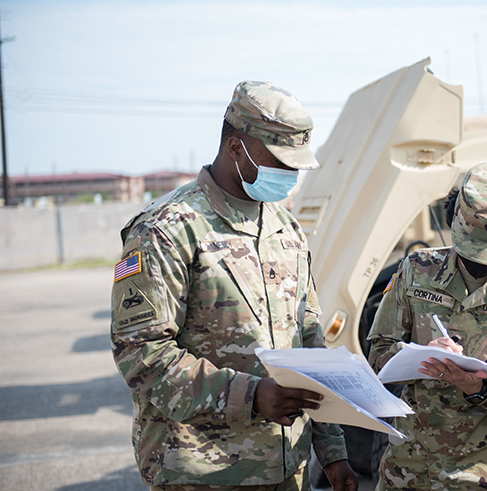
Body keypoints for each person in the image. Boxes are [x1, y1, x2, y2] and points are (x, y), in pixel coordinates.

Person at [110, 81, 358, 491]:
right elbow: (142, 355)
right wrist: (251, 395)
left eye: (295, 163)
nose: (290, 174)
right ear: (236, 148)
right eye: (278, 161)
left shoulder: (286, 228)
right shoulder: (165, 230)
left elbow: (309, 340)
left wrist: (333, 453)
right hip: (202, 473)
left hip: (286, 470)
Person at [367, 163, 487, 490]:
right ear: (455, 218)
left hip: (478, 476)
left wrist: (481, 389)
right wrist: (420, 355)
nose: (480, 261)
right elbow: (379, 353)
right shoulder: (416, 270)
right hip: (407, 469)